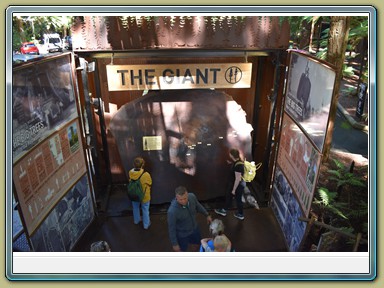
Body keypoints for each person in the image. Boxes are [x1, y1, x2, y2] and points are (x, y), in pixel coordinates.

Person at [167, 186, 212, 252]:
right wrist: (175, 244)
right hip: (182, 235)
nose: (183, 201)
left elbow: (198, 205)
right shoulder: (172, 211)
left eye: (185, 198)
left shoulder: (192, 197)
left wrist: (207, 215)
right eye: (180, 199)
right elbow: (171, 229)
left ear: (187, 194)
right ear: (176, 198)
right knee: (182, 251)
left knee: (196, 245)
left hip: (194, 229)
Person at [215, 148, 246, 220]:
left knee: (233, 198)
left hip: (236, 185)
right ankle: (239, 213)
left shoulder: (238, 166)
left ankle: (226, 211)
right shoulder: (238, 162)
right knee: (235, 199)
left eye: (230, 154)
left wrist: (234, 189)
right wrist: (231, 163)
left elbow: (238, 179)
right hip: (239, 185)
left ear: (232, 155)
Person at [128, 157, 152, 229]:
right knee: (145, 209)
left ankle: (136, 220)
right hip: (144, 195)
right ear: (143, 164)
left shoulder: (130, 172)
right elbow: (150, 183)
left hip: (134, 194)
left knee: (135, 208)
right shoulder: (146, 174)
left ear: (133, 164)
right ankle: (146, 225)